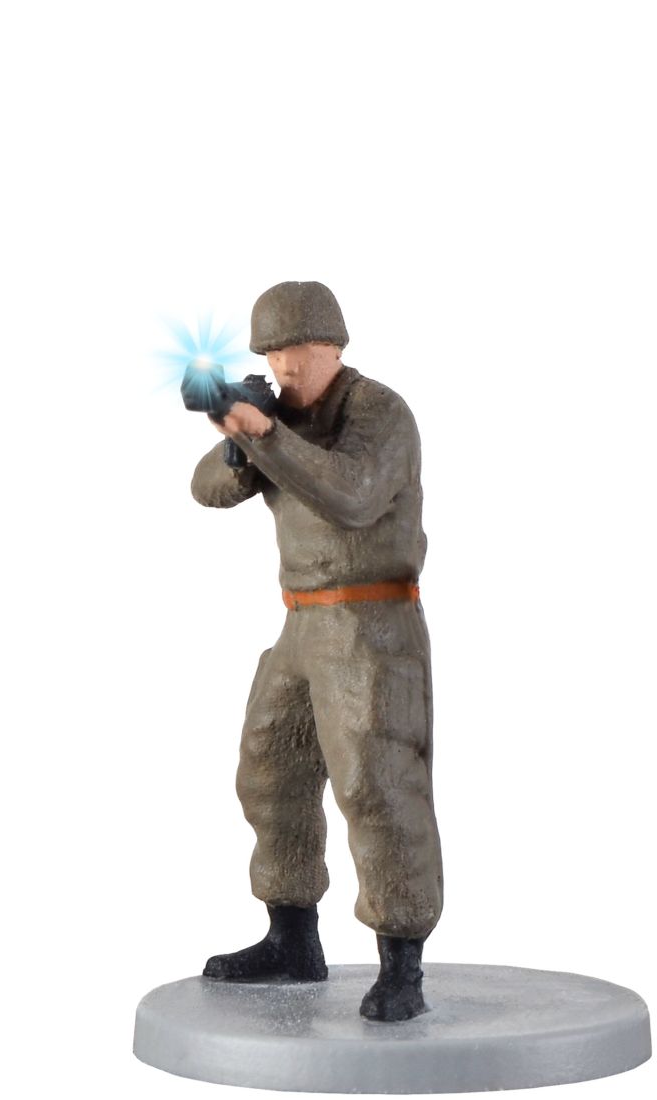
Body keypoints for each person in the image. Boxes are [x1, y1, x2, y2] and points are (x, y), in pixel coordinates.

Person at [190, 281, 442, 1021]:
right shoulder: (279, 416)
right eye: (271, 354)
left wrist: (265, 436)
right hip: (302, 623)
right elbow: (205, 489)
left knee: (377, 783)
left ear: (332, 345)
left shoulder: (378, 412)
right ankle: (291, 938)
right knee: (270, 770)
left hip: (372, 625)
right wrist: (240, 435)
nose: (285, 367)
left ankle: (402, 962)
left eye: (296, 351)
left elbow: (352, 495)